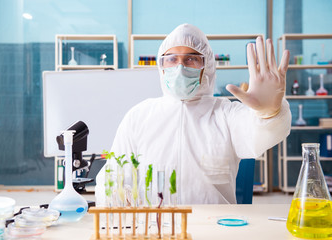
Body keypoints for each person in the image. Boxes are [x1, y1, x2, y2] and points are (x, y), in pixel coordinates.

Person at [95, 23, 291, 205]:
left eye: (191, 59)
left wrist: (269, 112)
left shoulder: (225, 113)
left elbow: (261, 134)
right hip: (156, 226)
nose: (180, 67)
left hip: (215, 227)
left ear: (207, 65)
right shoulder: (139, 116)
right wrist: (116, 197)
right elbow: (113, 173)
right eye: (172, 59)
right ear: (161, 66)